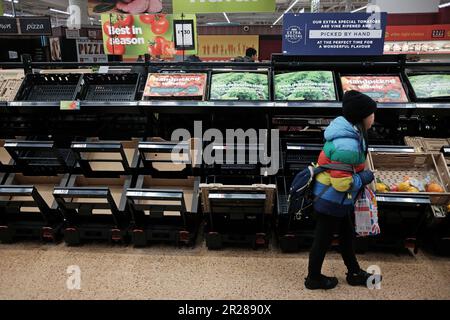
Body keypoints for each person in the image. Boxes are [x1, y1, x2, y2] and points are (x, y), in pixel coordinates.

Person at [305, 90, 380, 290]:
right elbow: (341, 183)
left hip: (338, 198)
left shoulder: (351, 133)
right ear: (361, 117)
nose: (374, 117)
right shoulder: (347, 144)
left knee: (346, 234)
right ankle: (313, 278)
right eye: (372, 113)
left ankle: (354, 272)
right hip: (332, 197)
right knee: (323, 238)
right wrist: (364, 177)